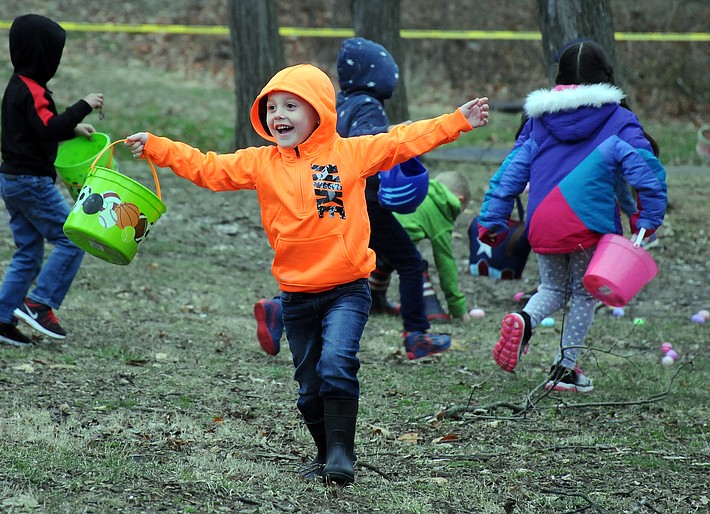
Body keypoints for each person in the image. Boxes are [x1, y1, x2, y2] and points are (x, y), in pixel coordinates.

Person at [124, 62, 489, 484]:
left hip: (348, 290)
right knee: (308, 390)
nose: (279, 116)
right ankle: (324, 454)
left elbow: (403, 140)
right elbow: (208, 168)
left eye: (291, 106)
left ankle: (341, 456)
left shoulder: (349, 154)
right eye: (272, 107)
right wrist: (157, 146)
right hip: (295, 296)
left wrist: (458, 120)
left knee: (336, 364)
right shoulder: (261, 163)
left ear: (319, 111)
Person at [477, 40, 666, 393]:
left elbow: (511, 173)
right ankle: (565, 369)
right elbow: (646, 171)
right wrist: (648, 217)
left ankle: (524, 319)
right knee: (583, 295)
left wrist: (493, 217)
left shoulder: (538, 121)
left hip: (544, 221)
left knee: (551, 287)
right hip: (588, 224)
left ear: (560, 77)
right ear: (604, 76)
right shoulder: (618, 119)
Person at [255, 38, 455, 361]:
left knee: (353, 260)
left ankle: (289, 307)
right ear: (376, 75)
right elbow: (367, 147)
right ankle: (417, 335)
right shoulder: (367, 105)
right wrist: (393, 139)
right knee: (410, 261)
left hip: (345, 203)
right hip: (366, 202)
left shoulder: (341, 104)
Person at [0, 14, 104, 347]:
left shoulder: (21, 85)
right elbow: (46, 127)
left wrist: (71, 128)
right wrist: (82, 107)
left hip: (13, 180)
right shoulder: (32, 90)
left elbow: (36, 130)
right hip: (31, 182)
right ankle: (39, 303)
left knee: (28, 253)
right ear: (44, 55)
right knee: (72, 238)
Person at [394, 171, 472, 322]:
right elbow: (445, 263)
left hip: (375, 229)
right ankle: (428, 308)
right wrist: (457, 307)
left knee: (386, 258)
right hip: (395, 238)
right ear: (459, 200)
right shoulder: (443, 210)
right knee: (414, 265)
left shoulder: (420, 190)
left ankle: (376, 298)